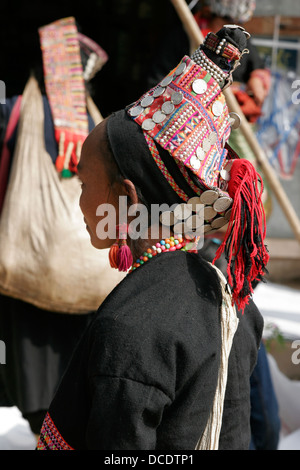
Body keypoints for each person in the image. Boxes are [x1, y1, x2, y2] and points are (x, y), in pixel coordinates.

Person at [37, 25, 269, 450]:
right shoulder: (232, 301)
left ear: (125, 199)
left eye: (85, 184)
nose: (80, 200)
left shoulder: (128, 328)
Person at [0, 17, 123, 439]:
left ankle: (40, 427)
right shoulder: (101, 127)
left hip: (28, 263)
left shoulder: (14, 110)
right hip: (83, 268)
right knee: (74, 368)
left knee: (31, 363)